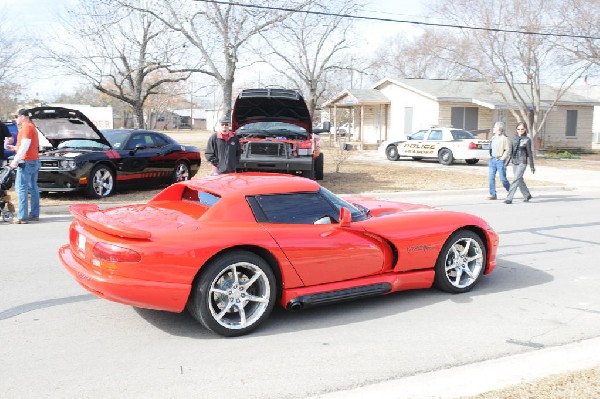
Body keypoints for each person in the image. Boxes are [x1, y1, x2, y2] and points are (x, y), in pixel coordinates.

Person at [6, 109, 40, 224]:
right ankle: (34, 214)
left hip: (26, 161)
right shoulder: (32, 126)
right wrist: (14, 148)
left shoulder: (26, 127)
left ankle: (22, 217)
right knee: (33, 188)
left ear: (23, 117)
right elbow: (27, 145)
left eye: (17, 116)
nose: (16, 119)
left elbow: (25, 145)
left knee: (21, 188)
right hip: (34, 160)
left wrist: (15, 160)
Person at [504, 122, 535, 204]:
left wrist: (532, 165)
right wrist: (506, 163)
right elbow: (511, 151)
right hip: (514, 162)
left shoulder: (527, 140)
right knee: (519, 179)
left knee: (515, 179)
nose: (520, 130)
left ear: (525, 129)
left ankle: (509, 198)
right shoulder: (514, 138)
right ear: (516, 129)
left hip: (522, 162)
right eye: (518, 129)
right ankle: (527, 194)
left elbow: (529, 153)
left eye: (522, 129)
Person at [487, 121, 511, 200]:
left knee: (503, 179)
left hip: (500, 161)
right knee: (491, 178)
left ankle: (511, 191)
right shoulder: (493, 138)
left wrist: (502, 158)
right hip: (492, 160)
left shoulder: (505, 139)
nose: (493, 128)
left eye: (495, 127)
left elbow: (508, 150)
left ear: (499, 129)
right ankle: (493, 194)